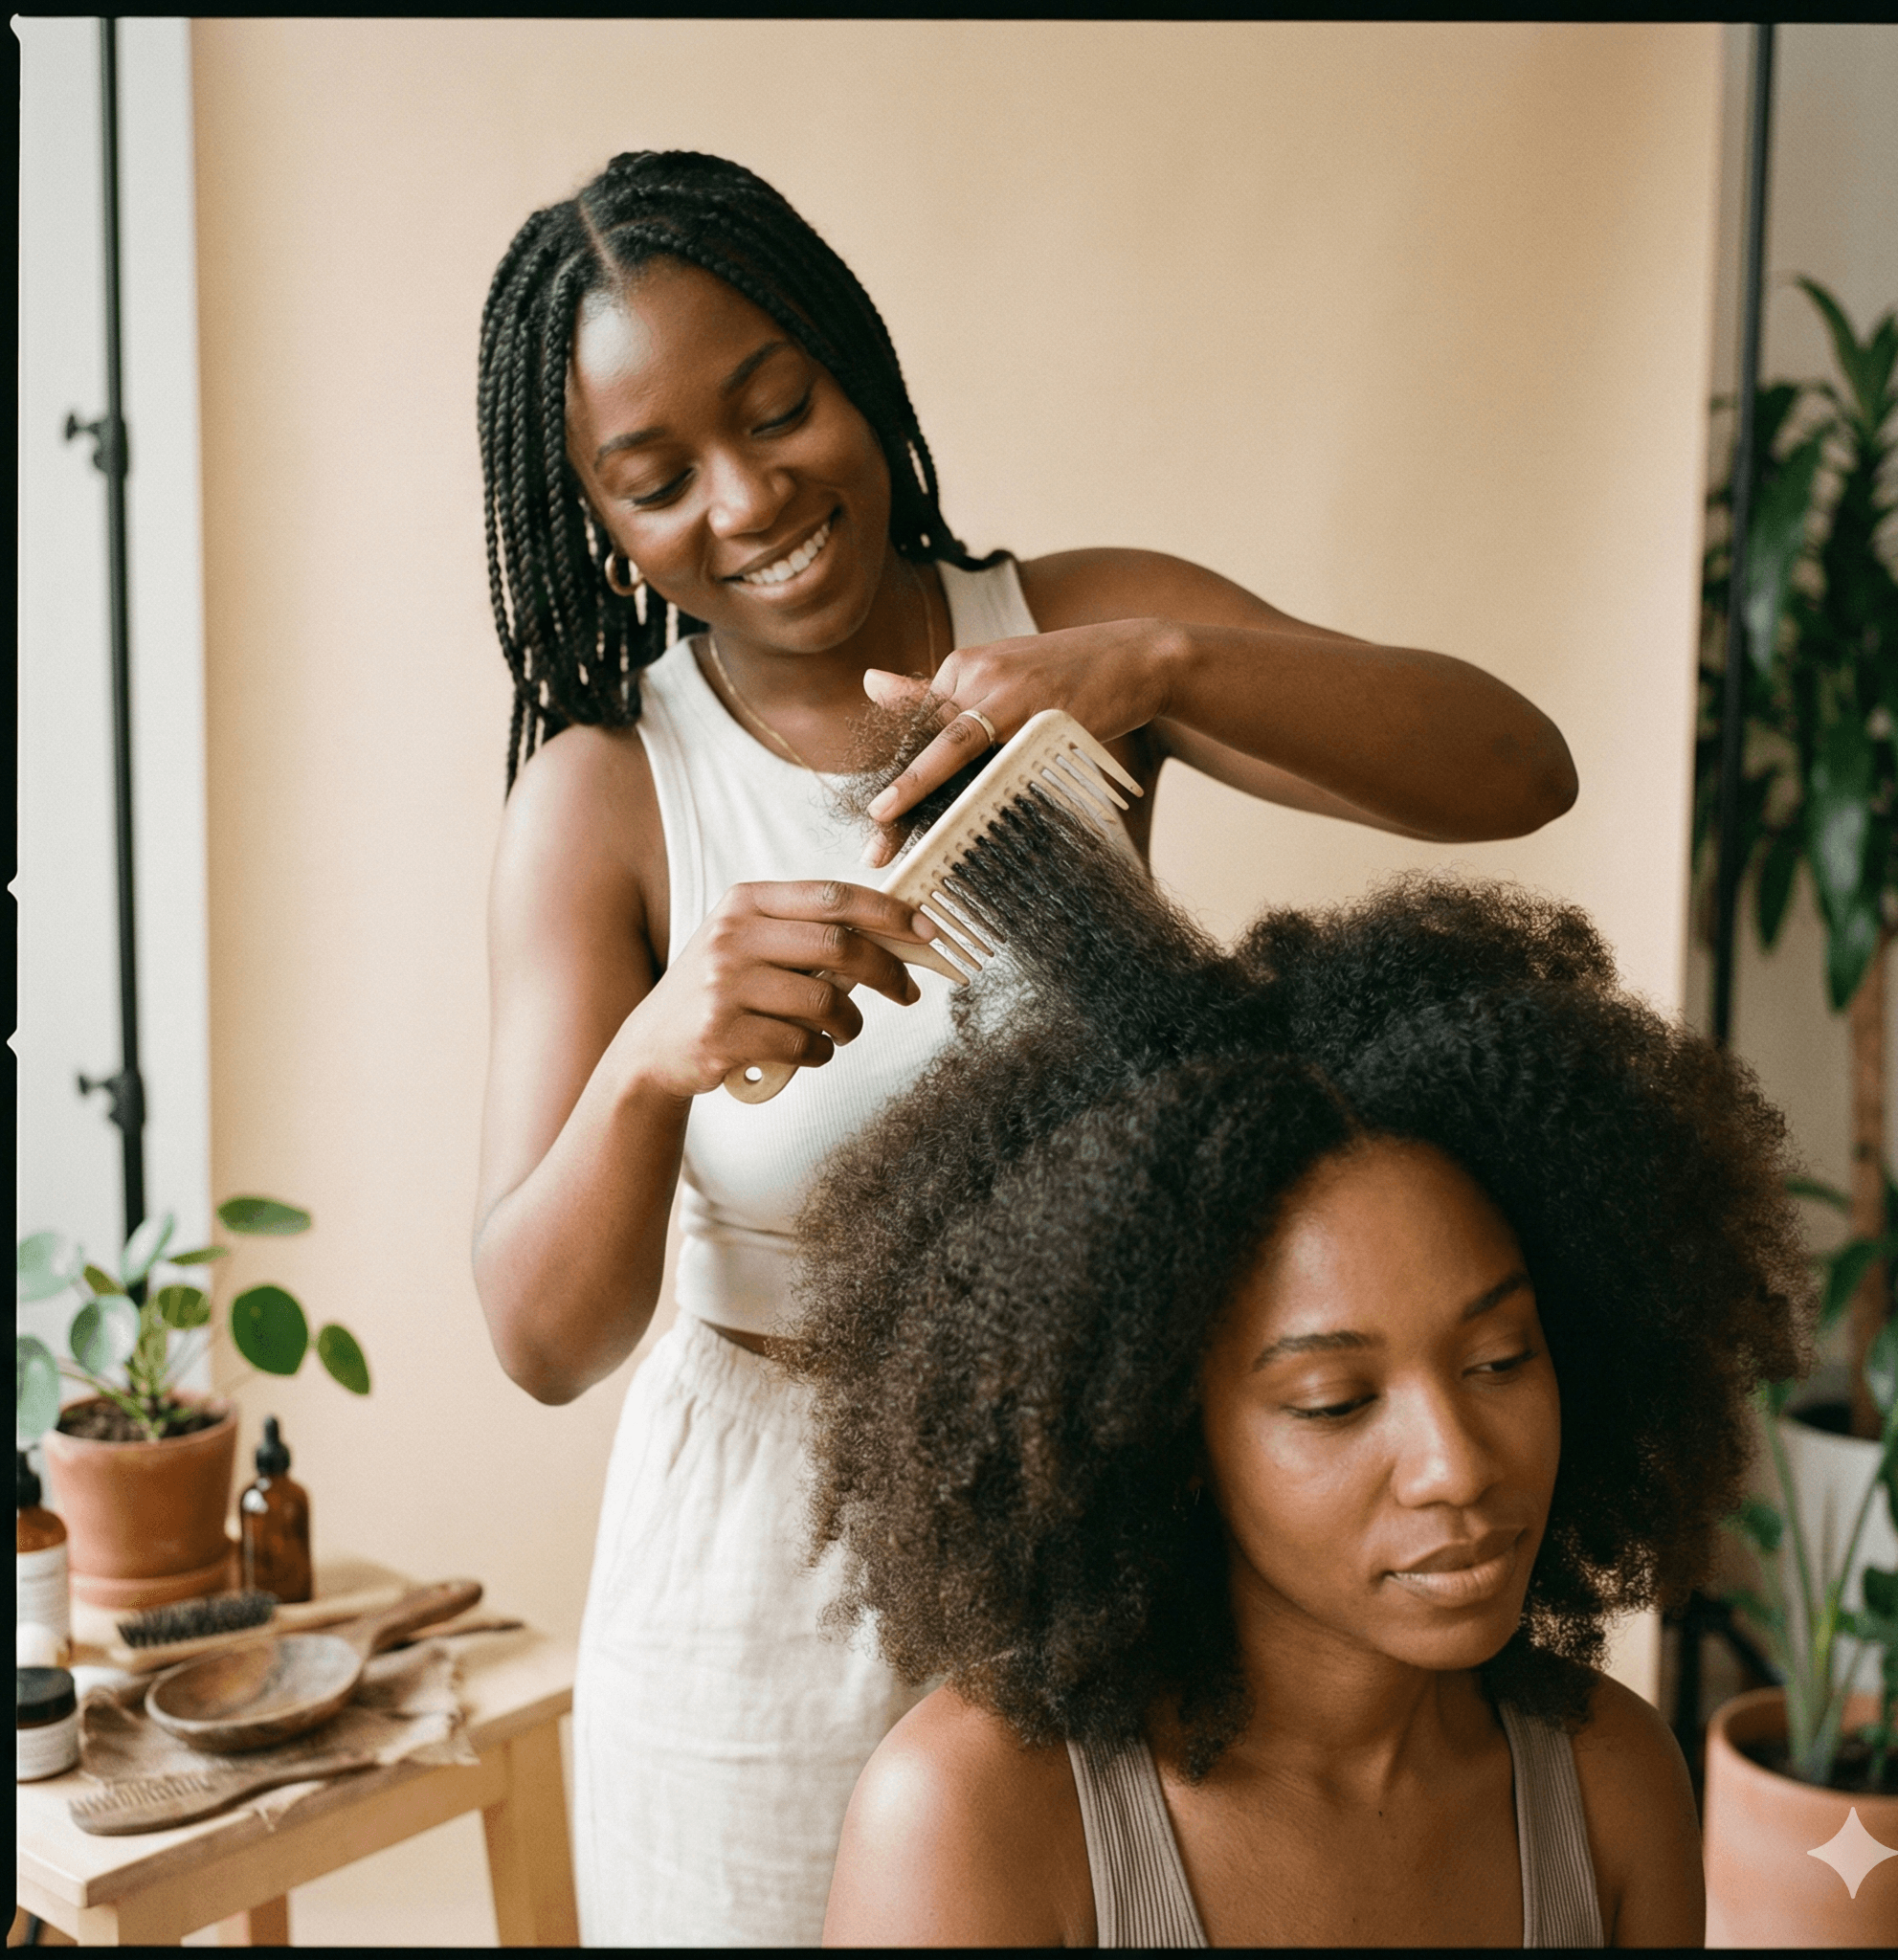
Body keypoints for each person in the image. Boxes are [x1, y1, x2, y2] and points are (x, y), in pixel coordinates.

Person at [470, 146, 1580, 1946]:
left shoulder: (1076, 631)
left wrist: (1160, 667)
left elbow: (1514, 770)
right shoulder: (607, 798)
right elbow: (539, 1335)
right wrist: (650, 1062)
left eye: (779, 408)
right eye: (657, 479)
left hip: (1097, 1508)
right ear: (594, 517)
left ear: (856, 368)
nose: (748, 499)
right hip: (768, 1580)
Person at [797, 872, 1810, 1947]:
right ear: (1166, 1432)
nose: (1455, 1465)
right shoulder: (973, 1815)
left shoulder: (1612, 1780)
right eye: (1332, 1401)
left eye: (1500, 1356)